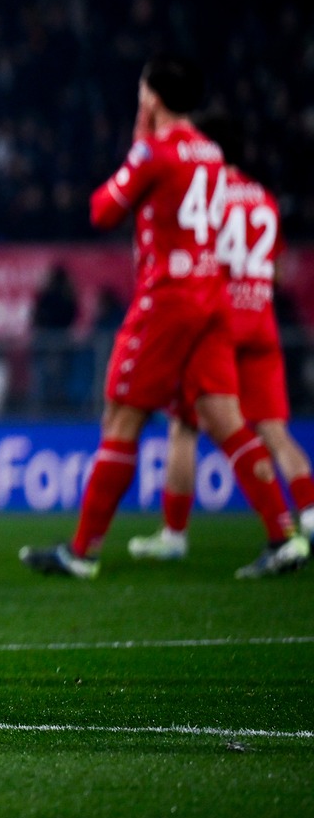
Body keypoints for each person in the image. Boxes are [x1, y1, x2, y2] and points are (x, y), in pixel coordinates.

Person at [22, 57, 306, 579]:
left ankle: (82, 552)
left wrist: (137, 140)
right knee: (226, 419)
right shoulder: (213, 154)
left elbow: (101, 210)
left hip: (168, 298)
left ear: (151, 97)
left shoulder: (156, 152)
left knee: (121, 417)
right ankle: (282, 535)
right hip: (211, 295)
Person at [131, 116, 314, 563]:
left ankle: (174, 536)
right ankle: (309, 518)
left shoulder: (206, 197)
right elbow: (278, 267)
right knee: (274, 431)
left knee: (185, 426)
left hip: (219, 322)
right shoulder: (265, 199)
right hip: (262, 322)